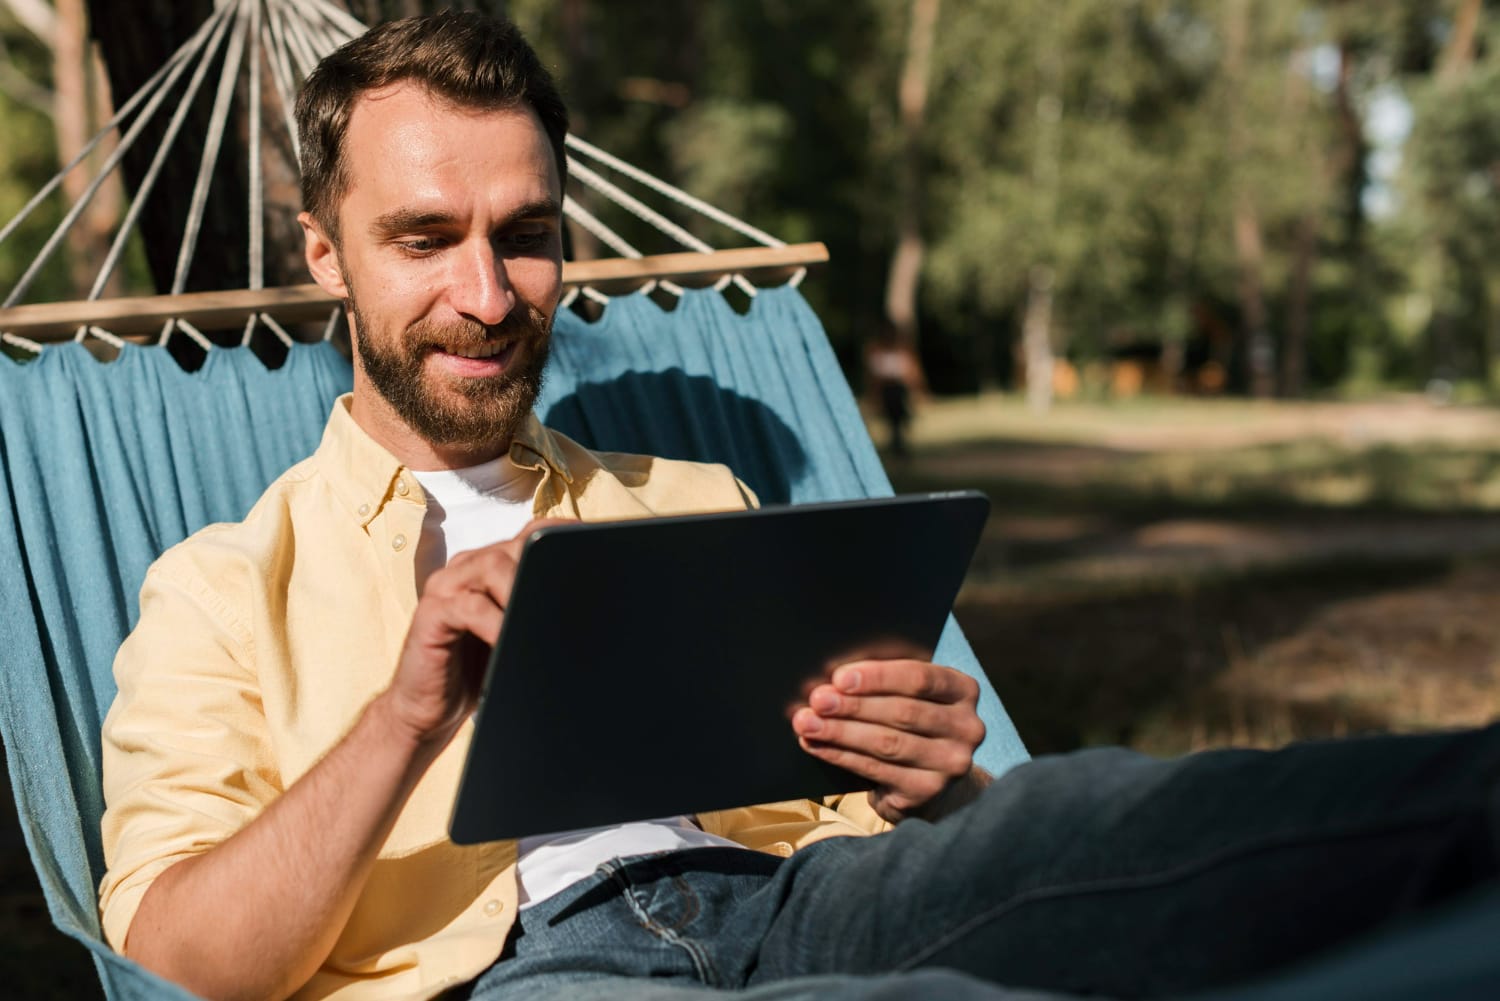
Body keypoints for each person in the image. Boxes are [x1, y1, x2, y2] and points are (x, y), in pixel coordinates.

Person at [97, 12, 1500, 1001]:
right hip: (526, 975)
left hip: (809, 900)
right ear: (324, 255)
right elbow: (176, 959)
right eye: (423, 238)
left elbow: (906, 831)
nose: (483, 292)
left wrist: (937, 777)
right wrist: (407, 712)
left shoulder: (698, 500)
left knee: (1143, 816)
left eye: (525, 238)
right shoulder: (220, 586)